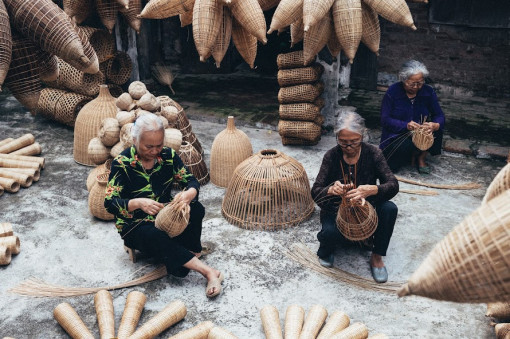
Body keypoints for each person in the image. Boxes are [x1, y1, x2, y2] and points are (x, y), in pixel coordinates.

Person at [104, 114, 223, 298]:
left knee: (196, 208)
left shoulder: (168, 156)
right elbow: (110, 203)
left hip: (165, 218)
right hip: (135, 224)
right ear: (135, 140)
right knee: (155, 238)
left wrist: (189, 193)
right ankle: (208, 272)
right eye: (149, 146)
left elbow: (190, 181)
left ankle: (189, 253)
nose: (155, 151)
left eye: (159, 145)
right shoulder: (122, 163)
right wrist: (138, 203)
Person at [311, 112, 399, 283]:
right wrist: (331, 190)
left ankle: (377, 257)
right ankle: (328, 249)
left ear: (363, 136)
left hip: (368, 207)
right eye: (343, 142)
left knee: (389, 208)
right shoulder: (331, 156)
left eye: (354, 142)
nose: (349, 147)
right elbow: (315, 191)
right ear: (337, 137)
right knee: (329, 234)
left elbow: (393, 184)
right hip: (337, 210)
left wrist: (373, 189)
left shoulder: (374, 153)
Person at [379, 60, 445, 174]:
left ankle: (421, 157)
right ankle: (412, 154)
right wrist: (406, 125)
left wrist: (435, 125)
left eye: (419, 83)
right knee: (392, 165)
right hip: (398, 134)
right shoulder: (393, 92)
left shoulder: (428, 91)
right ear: (403, 80)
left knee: (437, 131)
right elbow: (385, 119)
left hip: (419, 132)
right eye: (412, 83)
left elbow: (439, 115)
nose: (416, 87)